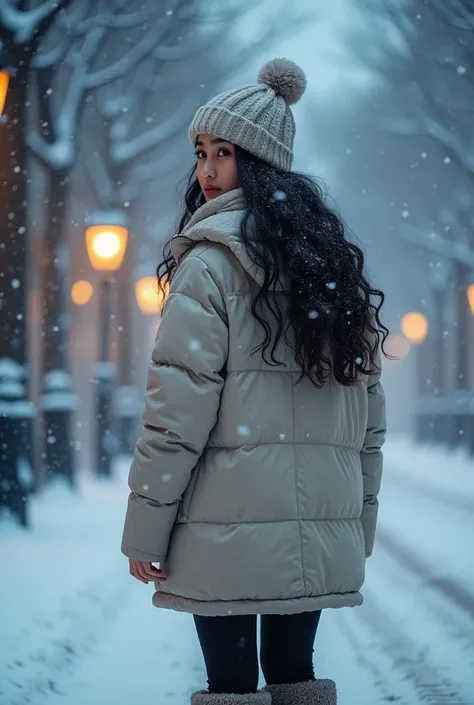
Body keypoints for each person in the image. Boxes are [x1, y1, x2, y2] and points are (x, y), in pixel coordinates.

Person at [121, 58, 387, 705]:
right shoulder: (331, 268)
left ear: (261, 161)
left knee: (232, 687)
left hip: (226, 530)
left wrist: (144, 529)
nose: (207, 170)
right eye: (202, 153)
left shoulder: (209, 266)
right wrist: (357, 525)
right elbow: (368, 425)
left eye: (224, 153)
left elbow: (175, 412)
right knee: (296, 677)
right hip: (314, 535)